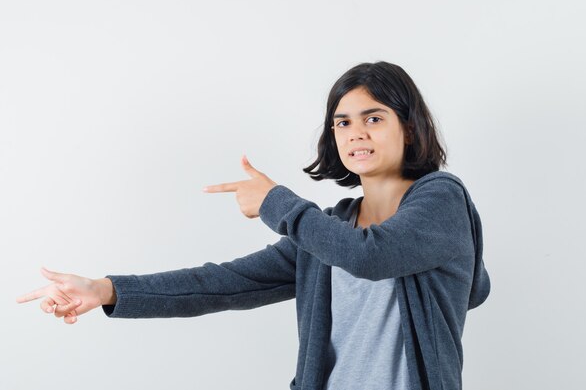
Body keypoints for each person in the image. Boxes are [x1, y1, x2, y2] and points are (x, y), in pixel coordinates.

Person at [17, 61, 490, 390]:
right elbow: (222, 283)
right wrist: (104, 289)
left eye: (373, 117)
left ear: (408, 127)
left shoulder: (441, 199)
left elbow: (372, 256)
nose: (355, 133)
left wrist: (276, 203)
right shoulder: (327, 231)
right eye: (342, 122)